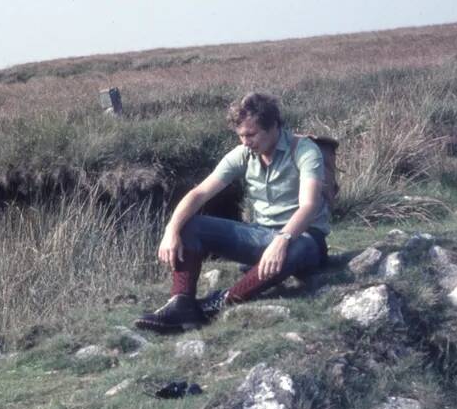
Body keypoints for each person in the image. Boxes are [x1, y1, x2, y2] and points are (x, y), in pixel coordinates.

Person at [135, 92, 331, 333]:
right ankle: (181, 304)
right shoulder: (243, 154)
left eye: (251, 134)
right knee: (190, 225)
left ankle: (221, 301)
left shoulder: (305, 150)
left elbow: (309, 206)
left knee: (298, 246)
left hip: (304, 239)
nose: (245, 142)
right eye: (240, 136)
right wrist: (171, 230)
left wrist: (282, 240)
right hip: (262, 235)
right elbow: (199, 194)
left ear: (273, 127)